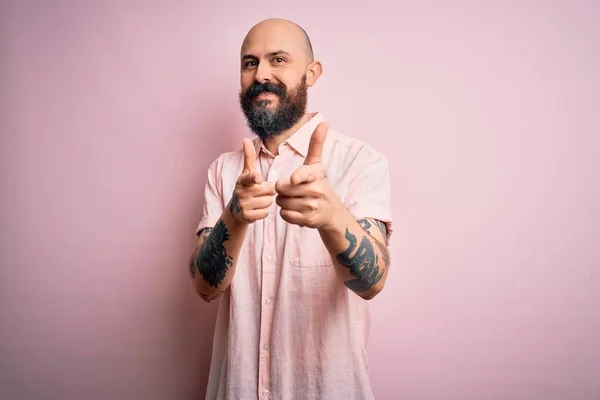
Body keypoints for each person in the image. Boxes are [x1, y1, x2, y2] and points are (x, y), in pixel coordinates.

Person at [189, 17, 393, 400]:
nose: (261, 74)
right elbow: (204, 288)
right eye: (250, 63)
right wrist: (234, 217)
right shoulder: (223, 171)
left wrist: (332, 216)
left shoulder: (359, 161)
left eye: (278, 59)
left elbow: (372, 282)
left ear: (312, 73)